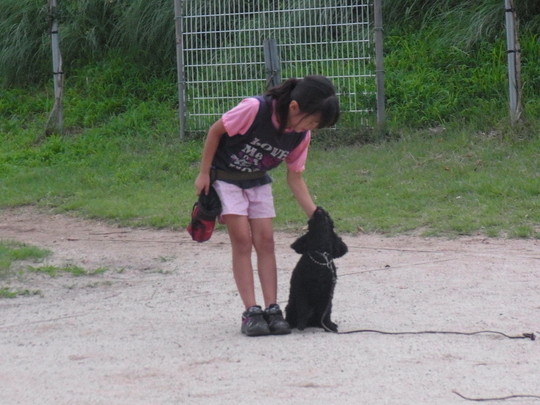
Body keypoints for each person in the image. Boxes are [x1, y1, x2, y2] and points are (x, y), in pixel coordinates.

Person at [194, 75, 340, 336]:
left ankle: (273, 309)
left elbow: (295, 177)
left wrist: (317, 216)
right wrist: (204, 173)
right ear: (294, 107)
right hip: (226, 178)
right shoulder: (254, 109)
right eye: (312, 121)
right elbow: (215, 131)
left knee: (266, 241)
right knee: (242, 240)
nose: (311, 128)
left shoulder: (300, 136)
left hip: (258, 182)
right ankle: (251, 311)